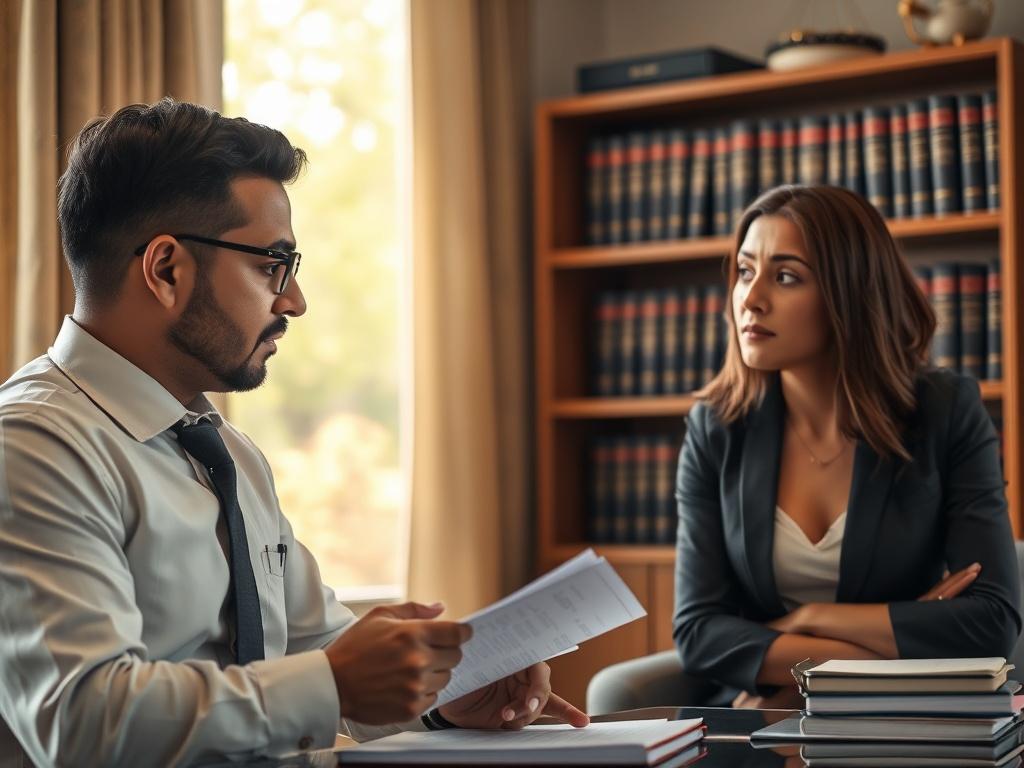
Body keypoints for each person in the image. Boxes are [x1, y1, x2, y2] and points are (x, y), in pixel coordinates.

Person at [0, 98, 588, 767]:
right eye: (270, 265)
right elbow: (83, 722)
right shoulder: (30, 450)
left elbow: (316, 647)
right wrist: (334, 681)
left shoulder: (227, 453)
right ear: (166, 270)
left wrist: (442, 692)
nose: (294, 301)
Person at [673, 184, 1021, 708]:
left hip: (901, 717)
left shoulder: (944, 411)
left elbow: (992, 622)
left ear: (849, 293)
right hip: (769, 706)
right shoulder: (716, 429)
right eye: (745, 271)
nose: (751, 298)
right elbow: (698, 632)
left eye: (785, 276)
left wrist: (808, 621)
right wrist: (867, 659)